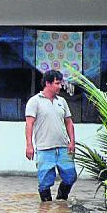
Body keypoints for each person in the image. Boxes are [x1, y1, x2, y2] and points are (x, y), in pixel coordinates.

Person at [25, 69, 76, 202]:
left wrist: (72, 142)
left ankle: (61, 201)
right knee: (44, 182)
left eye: (60, 83)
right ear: (48, 83)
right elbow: (29, 124)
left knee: (71, 176)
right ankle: (45, 209)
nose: (60, 86)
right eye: (57, 83)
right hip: (44, 148)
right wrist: (29, 146)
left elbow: (69, 122)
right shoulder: (34, 101)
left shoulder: (62, 101)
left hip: (63, 147)